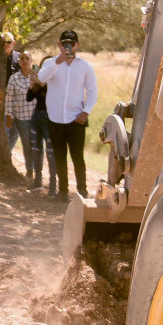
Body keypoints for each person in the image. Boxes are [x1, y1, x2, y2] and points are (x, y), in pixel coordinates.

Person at [37, 30, 97, 199]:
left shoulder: (85, 66)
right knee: (59, 156)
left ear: (77, 45)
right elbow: (42, 78)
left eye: (71, 43)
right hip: (55, 118)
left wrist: (86, 112)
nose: (68, 47)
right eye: (64, 43)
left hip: (76, 118)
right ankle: (62, 191)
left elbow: (92, 91)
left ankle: (82, 191)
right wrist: (58, 61)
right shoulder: (50, 63)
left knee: (78, 156)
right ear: (59, 45)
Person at [5, 51, 39, 185]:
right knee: (26, 144)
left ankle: (38, 170)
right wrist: (8, 115)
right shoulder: (14, 78)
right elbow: (9, 98)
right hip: (21, 117)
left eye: (27, 58)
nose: (24, 61)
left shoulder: (37, 76)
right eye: (22, 59)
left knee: (36, 145)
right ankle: (30, 170)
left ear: (31, 60)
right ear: (19, 62)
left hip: (36, 117)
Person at [28, 56, 58, 195]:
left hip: (50, 117)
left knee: (51, 152)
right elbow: (29, 98)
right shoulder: (39, 81)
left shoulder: (56, 81)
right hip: (37, 116)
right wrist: (33, 84)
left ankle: (53, 185)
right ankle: (37, 181)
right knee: (36, 149)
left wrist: (42, 82)